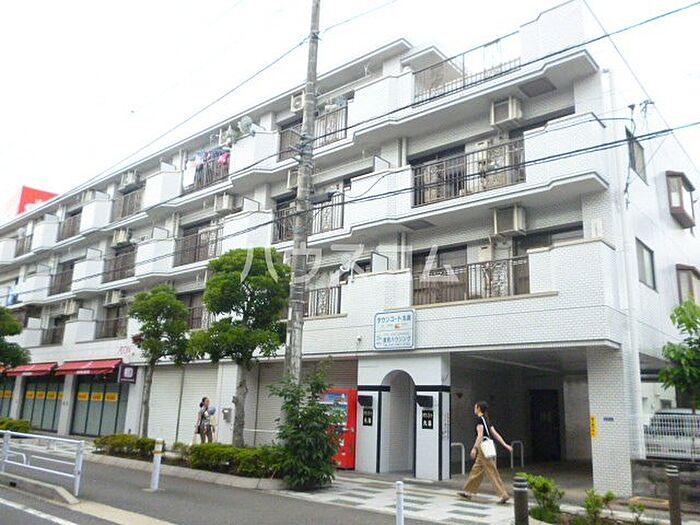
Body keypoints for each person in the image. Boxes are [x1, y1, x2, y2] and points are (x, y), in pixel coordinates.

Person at [458, 400, 512, 504]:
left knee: (492, 471)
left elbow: (480, 435)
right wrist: (505, 445)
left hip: (483, 447)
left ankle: (503, 494)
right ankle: (468, 492)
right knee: (476, 470)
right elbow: (495, 434)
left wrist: (474, 448)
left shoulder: (479, 420)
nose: (474, 409)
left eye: (475, 407)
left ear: (478, 408)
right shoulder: (487, 420)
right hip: (489, 446)